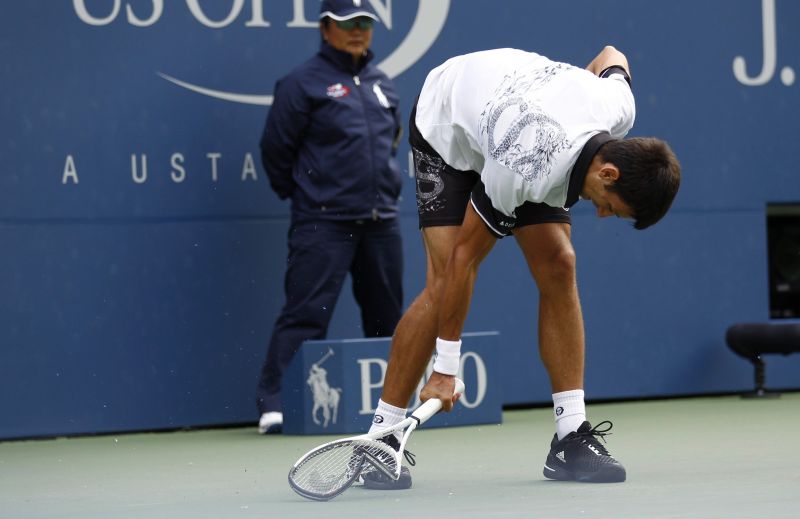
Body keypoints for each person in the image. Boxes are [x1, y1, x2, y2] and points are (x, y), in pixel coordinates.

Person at [360, 46, 681, 488]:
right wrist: (445, 368)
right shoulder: (526, 165)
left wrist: (573, 89)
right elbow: (465, 259)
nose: (603, 216)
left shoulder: (616, 107)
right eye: (611, 207)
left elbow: (613, 54)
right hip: (448, 127)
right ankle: (381, 441)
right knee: (442, 285)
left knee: (560, 263)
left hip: (519, 122)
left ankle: (571, 438)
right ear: (608, 173)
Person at [255, 0, 404, 434]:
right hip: (324, 222)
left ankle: (390, 408)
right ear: (325, 29)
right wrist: (309, 195)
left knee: (388, 318)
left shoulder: (382, 85)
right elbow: (275, 151)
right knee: (305, 314)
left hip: (381, 221)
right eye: (347, 23)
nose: (357, 30)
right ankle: (277, 403)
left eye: (364, 23)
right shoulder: (301, 84)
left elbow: (390, 143)